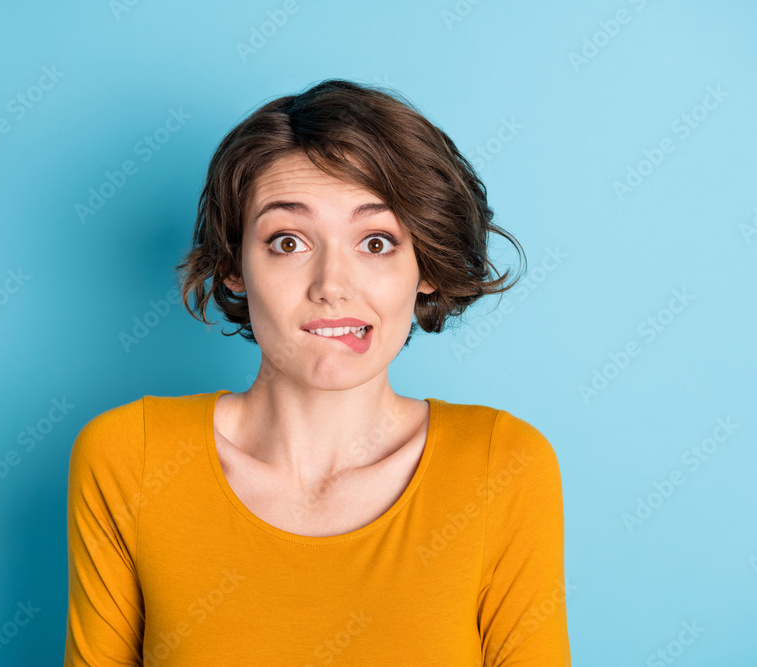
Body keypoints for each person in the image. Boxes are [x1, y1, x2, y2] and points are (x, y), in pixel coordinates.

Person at [64, 79, 569, 665]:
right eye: (288, 242)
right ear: (234, 266)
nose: (332, 286)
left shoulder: (502, 466)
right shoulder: (131, 458)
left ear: (426, 266)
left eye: (376, 243)